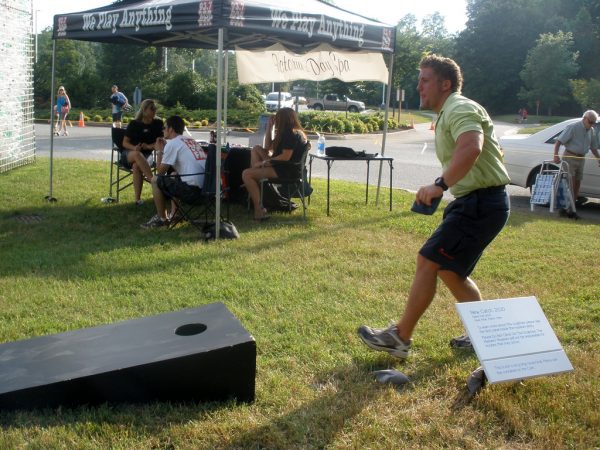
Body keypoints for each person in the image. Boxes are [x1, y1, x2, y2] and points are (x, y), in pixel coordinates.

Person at [357, 54, 511, 359]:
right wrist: (444, 186)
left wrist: (439, 185)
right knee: (451, 272)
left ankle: (399, 337)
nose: (419, 86)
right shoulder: (447, 113)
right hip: (477, 201)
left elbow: (472, 147)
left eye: (425, 80)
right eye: (419, 80)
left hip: (481, 203)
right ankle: (482, 335)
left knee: (429, 260)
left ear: (445, 83)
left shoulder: (460, 106)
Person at [242, 107, 308, 221]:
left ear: (282, 119)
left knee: (247, 174)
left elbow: (285, 157)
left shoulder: (290, 133)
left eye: (277, 118)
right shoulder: (288, 131)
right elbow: (268, 148)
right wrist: (269, 128)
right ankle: (256, 182)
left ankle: (259, 209)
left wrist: (264, 163)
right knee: (256, 149)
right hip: (283, 166)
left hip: (286, 170)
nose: (276, 120)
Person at [141, 115, 207, 228]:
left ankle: (161, 219)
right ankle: (175, 214)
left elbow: (160, 173)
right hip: (208, 191)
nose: (162, 130)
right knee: (173, 175)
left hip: (194, 193)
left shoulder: (173, 144)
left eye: (164, 127)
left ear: (170, 129)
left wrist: (159, 151)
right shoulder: (190, 141)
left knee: (155, 180)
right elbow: (180, 169)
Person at [553, 110, 600, 209]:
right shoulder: (573, 127)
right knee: (571, 182)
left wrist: (598, 158)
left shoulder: (591, 131)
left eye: (594, 123)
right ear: (584, 118)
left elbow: (593, 147)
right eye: (590, 122)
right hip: (570, 156)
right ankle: (567, 208)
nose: (592, 125)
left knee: (577, 183)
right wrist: (556, 155)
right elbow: (559, 141)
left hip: (581, 158)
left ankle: (572, 207)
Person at [122, 99, 164, 205]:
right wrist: (134, 147)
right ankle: (154, 181)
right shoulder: (134, 124)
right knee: (137, 154)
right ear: (144, 110)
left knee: (136, 166)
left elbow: (160, 142)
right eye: (152, 109)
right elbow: (125, 143)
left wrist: (149, 146)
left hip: (147, 155)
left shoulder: (158, 123)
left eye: (155, 109)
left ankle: (137, 199)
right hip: (129, 153)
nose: (154, 111)